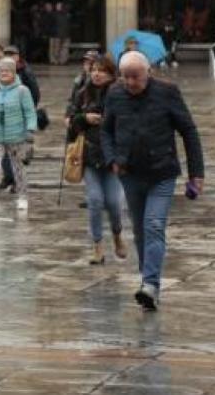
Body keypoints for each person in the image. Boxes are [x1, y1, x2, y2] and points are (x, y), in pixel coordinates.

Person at [101, 51, 205, 310]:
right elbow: (106, 130)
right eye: (125, 77)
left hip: (162, 172)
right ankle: (148, 283)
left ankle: (150, 284)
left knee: (154, 225)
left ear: (148, 72)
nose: (130, 82)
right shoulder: (114, 94)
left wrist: (197, 173)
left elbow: (188, 131)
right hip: (129, 172)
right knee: (139, 231)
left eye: (135, 76)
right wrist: (112, 158)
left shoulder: (167, 92)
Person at [69, 55, 126, 265]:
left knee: (113, 202)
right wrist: (84, 119)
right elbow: (72, 122)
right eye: (93, 69)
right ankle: (97, 246)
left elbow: (129, 122)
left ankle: (117, 234)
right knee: (94, 200)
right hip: (90, 156)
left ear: (111, 73)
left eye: (101, 69)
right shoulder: (83, 94)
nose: (96, 73)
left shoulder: (120, 94)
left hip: (113, 158)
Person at [0, 57, 37, 212]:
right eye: (1, 71)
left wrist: (30, 130)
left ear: (13, 72)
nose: (4, 73)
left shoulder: (22, 91)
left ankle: (22, 197)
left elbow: (30, 113)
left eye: (7, 71)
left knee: (18, 168)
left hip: (17, 137)